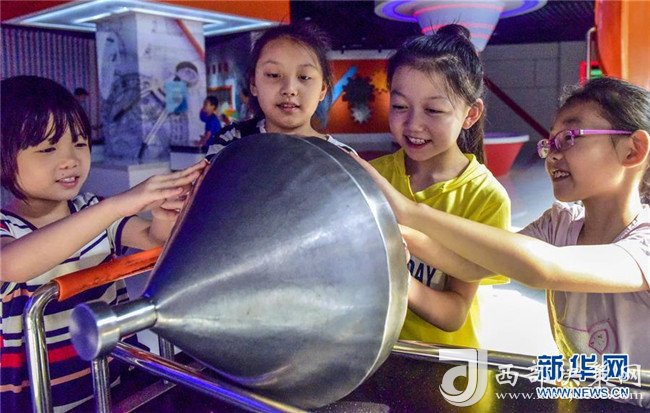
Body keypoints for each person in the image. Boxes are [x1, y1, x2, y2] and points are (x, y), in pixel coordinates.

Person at [355, 76, 650, 407]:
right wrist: (392, 231)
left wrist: (409, 212)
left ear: (633, 150)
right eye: (550, 143)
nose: (552, 155)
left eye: (568, 138)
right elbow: (472, 265)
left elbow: (542, 267)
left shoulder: (645, 241)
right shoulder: (559, 224)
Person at [0, 76, 206, 412]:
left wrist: (165, 213)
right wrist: (115, 206)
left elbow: (153, 239)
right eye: (48, 148)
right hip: (40, 396)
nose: (70, 159)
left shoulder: (91, 208)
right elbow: (12, 264)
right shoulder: (7, 227)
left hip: (110, 382)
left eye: (80, 143)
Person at [369, 25, 510, 348]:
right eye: (400, 106)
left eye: (433, 110)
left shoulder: (484, 198)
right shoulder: (374, 176)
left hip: (447, 363)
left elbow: (454, 313)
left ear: (470, 114)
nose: (413, 124)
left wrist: (399, 276)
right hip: (378, 353)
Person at [206, 23, 355, 156]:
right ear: (254, 84)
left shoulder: (342, 157)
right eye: (273, 75)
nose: (289, 89)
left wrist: (369, 180)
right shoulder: (231, 141)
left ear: (322, 89)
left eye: (304, 77)